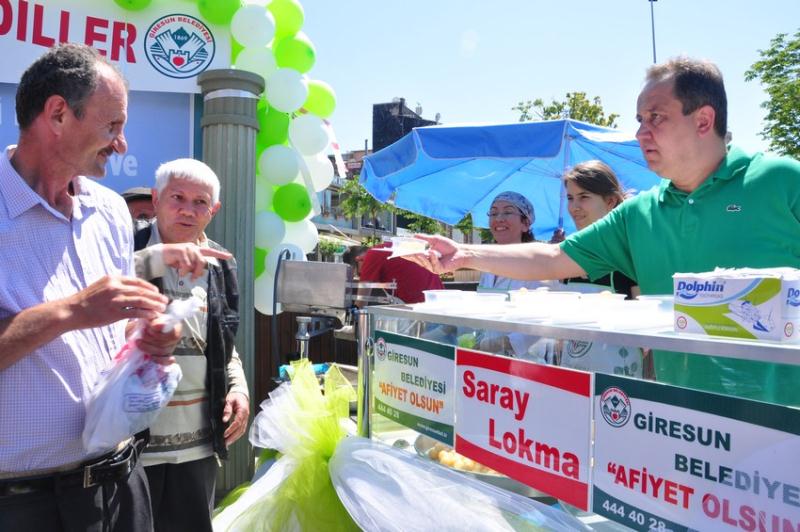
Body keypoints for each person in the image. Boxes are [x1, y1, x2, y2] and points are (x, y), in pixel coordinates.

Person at [407, 56, 800, 406]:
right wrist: (464, 254)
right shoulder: (641, 212)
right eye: (640, 120)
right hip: (679, 421)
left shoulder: (782, 181)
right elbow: (554, 258)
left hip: (784, 423)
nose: (641, 133)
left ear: (703, 120)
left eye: (656, 117)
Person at [0, 44, 183, 531]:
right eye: (112, 126)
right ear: (58, 113)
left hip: (121, 485)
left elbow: (114, 334)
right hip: (21, 507)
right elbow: (84, 312)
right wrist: (74, 311)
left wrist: (146, 342)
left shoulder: (109, 210)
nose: (121, 144)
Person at [133, 158, 249, 532]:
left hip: (197, 448)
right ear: (156, 199)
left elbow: (224, 343)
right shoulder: (124, 249)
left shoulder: (222, 263)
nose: (188, 210)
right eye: (177, 197)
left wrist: (239, 388)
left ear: (214, 210)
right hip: (132, 447)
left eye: (200, 202)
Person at [561, 161, 638, 299]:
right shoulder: (569, 251)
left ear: (610, 201)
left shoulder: (631, 252)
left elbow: (645, 307)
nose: (574, 207)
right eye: (570, 198)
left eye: (584, 197)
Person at [477, 191, 553, 293]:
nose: (498, 219)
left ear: (525, 224)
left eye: (507, 212)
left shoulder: (536, 266)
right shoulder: (487, 264)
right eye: (493, 213)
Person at [359, 240, 444, 304]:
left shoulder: (372, 254)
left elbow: (362, 300)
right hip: (439, 298)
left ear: (358, 259)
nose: (361, 273)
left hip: (420, 305)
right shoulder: (387, 248)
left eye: (359, 272)